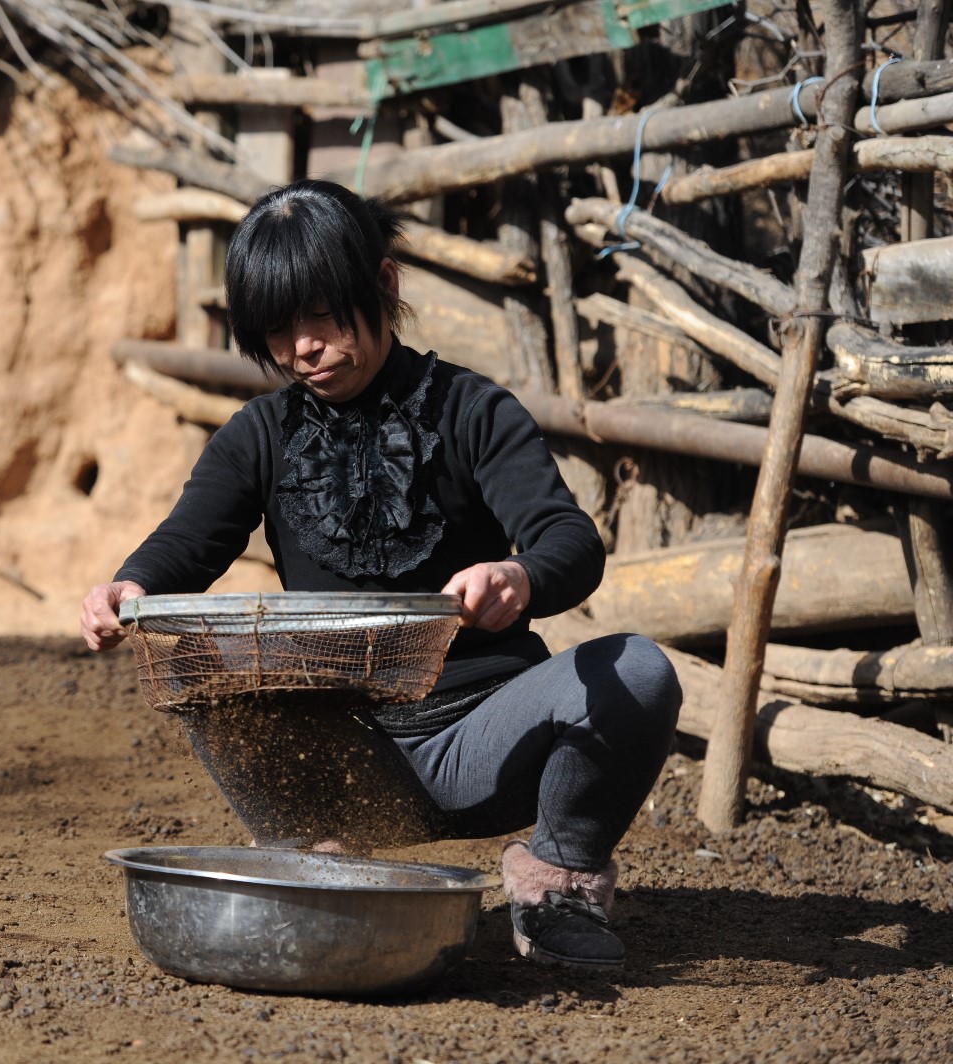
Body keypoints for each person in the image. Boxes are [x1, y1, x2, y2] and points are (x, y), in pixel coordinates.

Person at [80, 178, 681, 971]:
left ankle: (557, 882)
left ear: (385, 287)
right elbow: (183, 546)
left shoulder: (473, 410)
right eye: (278, 328)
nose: (303, 348)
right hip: (336, 759)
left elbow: (567, 538)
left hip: (485, 742)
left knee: (637, 671)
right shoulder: (258, 436)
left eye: (322, 314)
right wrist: (127, 587)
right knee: (204, 666)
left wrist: (519, 576)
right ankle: (319, 860)